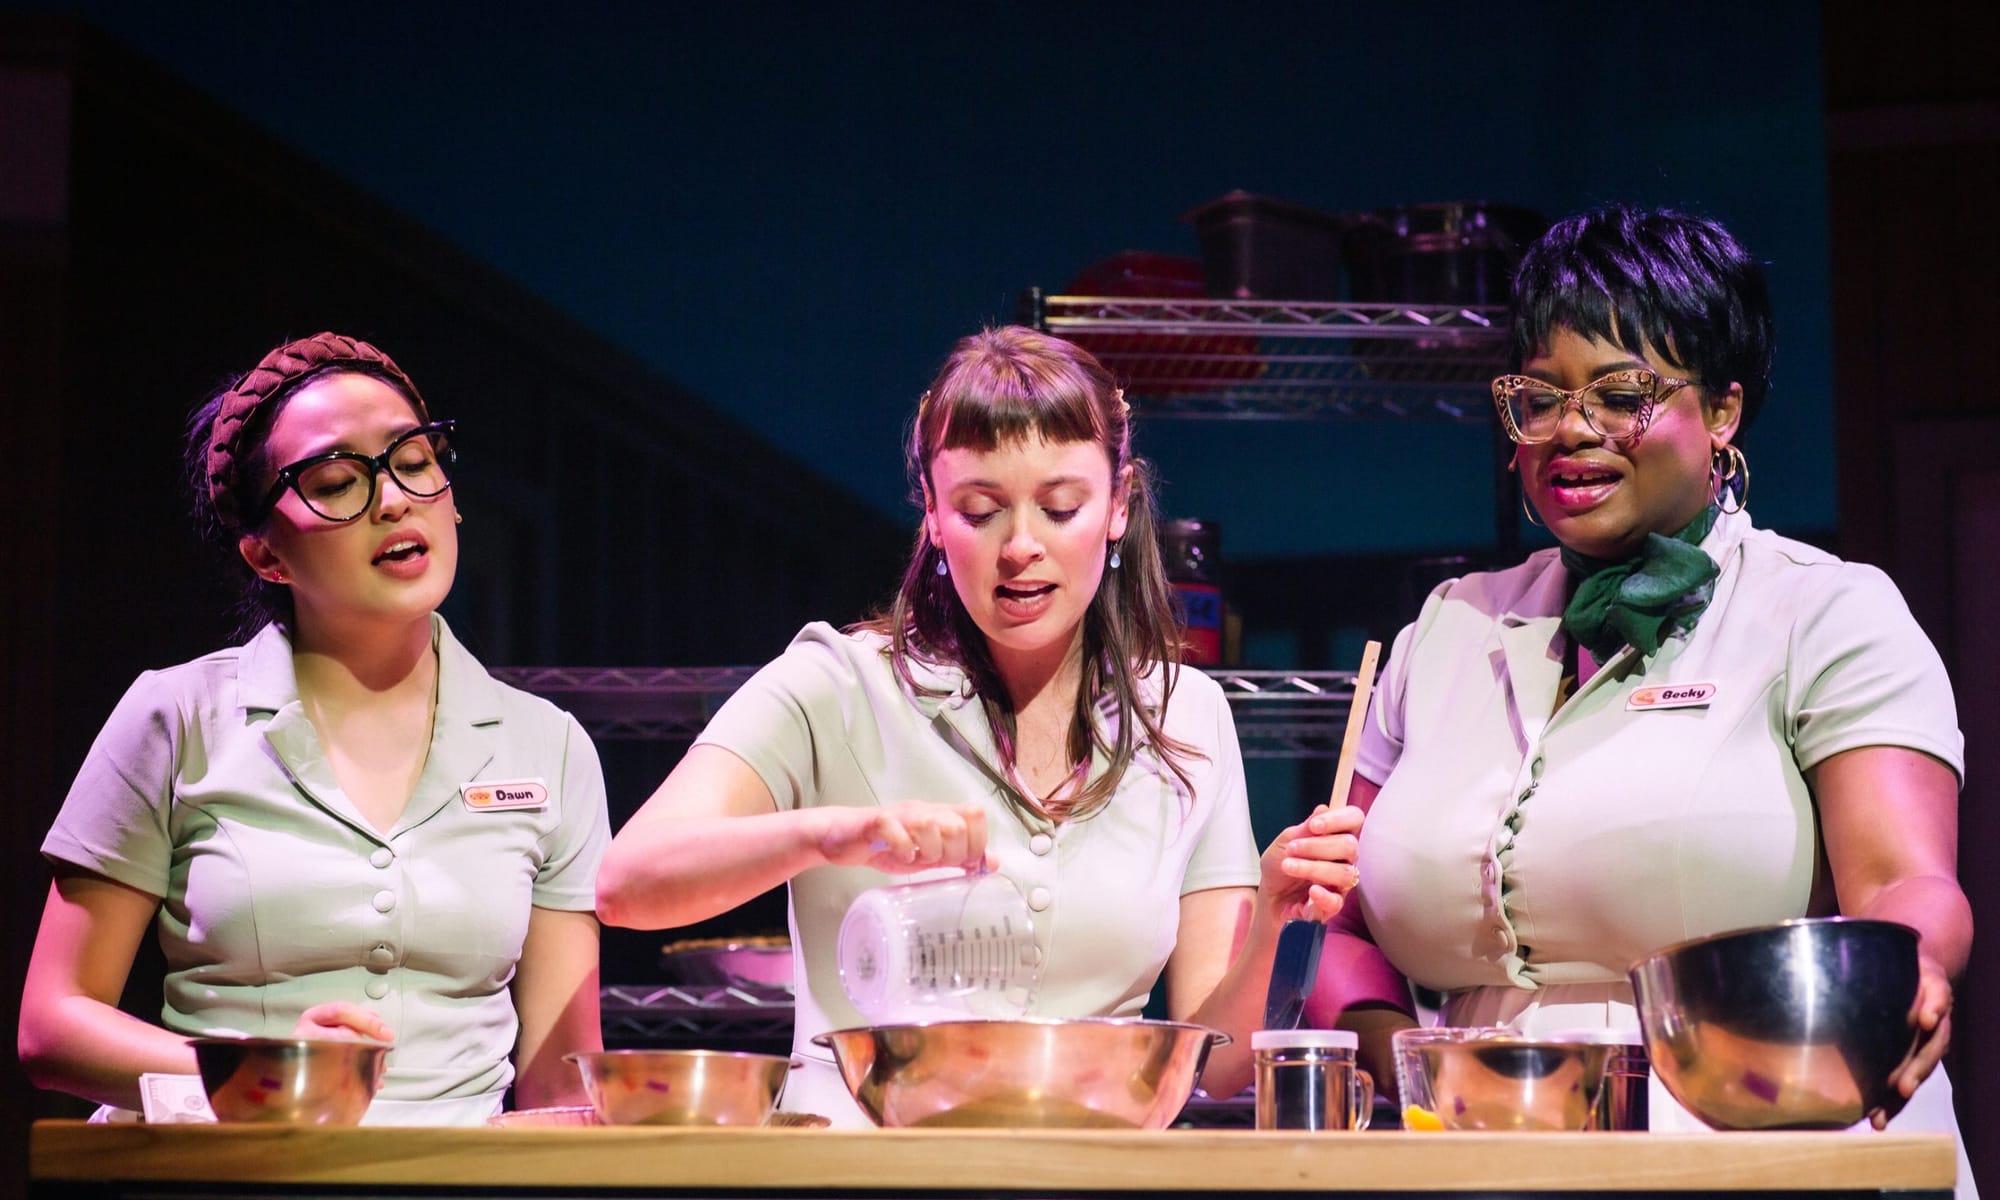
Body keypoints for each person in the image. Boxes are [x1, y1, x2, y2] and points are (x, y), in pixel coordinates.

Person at [1306, 207, 1976, 1187]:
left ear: (1721, 413)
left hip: (1767, 1152)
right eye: (1539, 396)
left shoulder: (1822, 610)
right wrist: (1413, 1084)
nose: (1571, 430)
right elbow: (1333, 920)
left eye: (1621, 393)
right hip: (1484, 1164)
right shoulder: (1445, 629)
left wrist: (1910, 960)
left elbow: (1903, 886)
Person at [595, 325, 1363, 1125]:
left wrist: (1274, 911)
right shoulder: (838, 684)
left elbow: (1224, 1063)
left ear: (1119, 507)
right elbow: (626, 885)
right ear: (931, 512)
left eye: (1061, 507)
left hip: (1096, 1174)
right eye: (980, 510)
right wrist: (831, 835)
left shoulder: (1186, 714)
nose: (1021, 547)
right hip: (863, 1177)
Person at [18, 332, 611, 1125]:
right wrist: (262, 1075)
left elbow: (560, 1082)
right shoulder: (177, 716)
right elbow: (52, 1024)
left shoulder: (550, 745)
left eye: (412, 461)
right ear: (267, 556)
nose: (393, 499)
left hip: (457, 1180)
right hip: (222, 1174)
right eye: (336, 480)